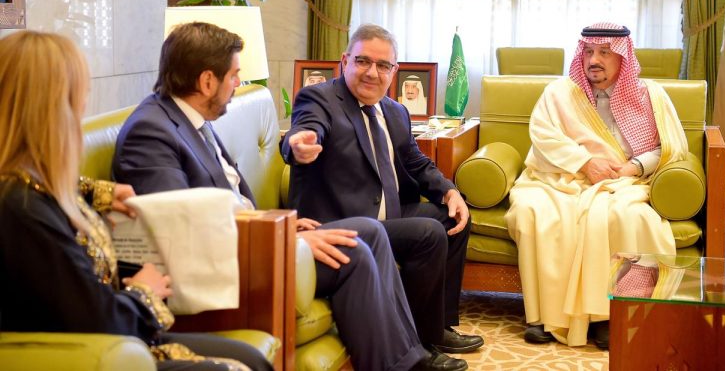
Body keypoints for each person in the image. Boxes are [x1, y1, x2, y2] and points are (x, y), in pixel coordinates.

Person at [112, 22, 463, 371]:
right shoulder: (152, 131)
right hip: (228, 260)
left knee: (370, 233)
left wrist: (286, 229)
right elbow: (183, 230)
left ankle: (409, 356)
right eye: (234, 76)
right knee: (355, 247)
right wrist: (284, 239)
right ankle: (401, 365)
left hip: (252, 238)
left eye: (383, 65)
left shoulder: (189, 120)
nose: (237, 85)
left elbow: (226, 206)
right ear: (207, 82)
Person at [0, 30, 272, 371]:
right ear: (51, 109)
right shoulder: (22, 208)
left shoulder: (31, 185)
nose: (83, 107)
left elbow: (56, 192)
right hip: (91, 352)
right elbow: (98, 319)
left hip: (117, 337)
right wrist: (145, 292)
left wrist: (98, 193)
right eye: (79, 97)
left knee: (252, 358)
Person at [282, 24, 484, 359]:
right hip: (343, 223)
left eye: (382, 65)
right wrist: (299, 145)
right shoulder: (319, 99)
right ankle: (421, 343)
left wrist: (450, 192)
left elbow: (416, 163)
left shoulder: (394, 110)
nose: (372, 72)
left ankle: (437, 328)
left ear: (394, 70)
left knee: (455, 218)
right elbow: (306, 128)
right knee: (428, 233)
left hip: (389, 213)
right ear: (345, 60)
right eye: (362, 61)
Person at [506, 22, 688, 349]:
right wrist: (585, 163)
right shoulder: (559, 93)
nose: (594, 60)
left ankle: (610, 314)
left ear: (623, 56)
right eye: (589, 52)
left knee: (623, 217)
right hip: (558, 178)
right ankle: (544, 316)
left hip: (623, 181)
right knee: (535, 213)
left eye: (604, 52)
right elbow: (544, 137)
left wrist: (634, 166)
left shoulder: (651, 96)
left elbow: (670, 147)